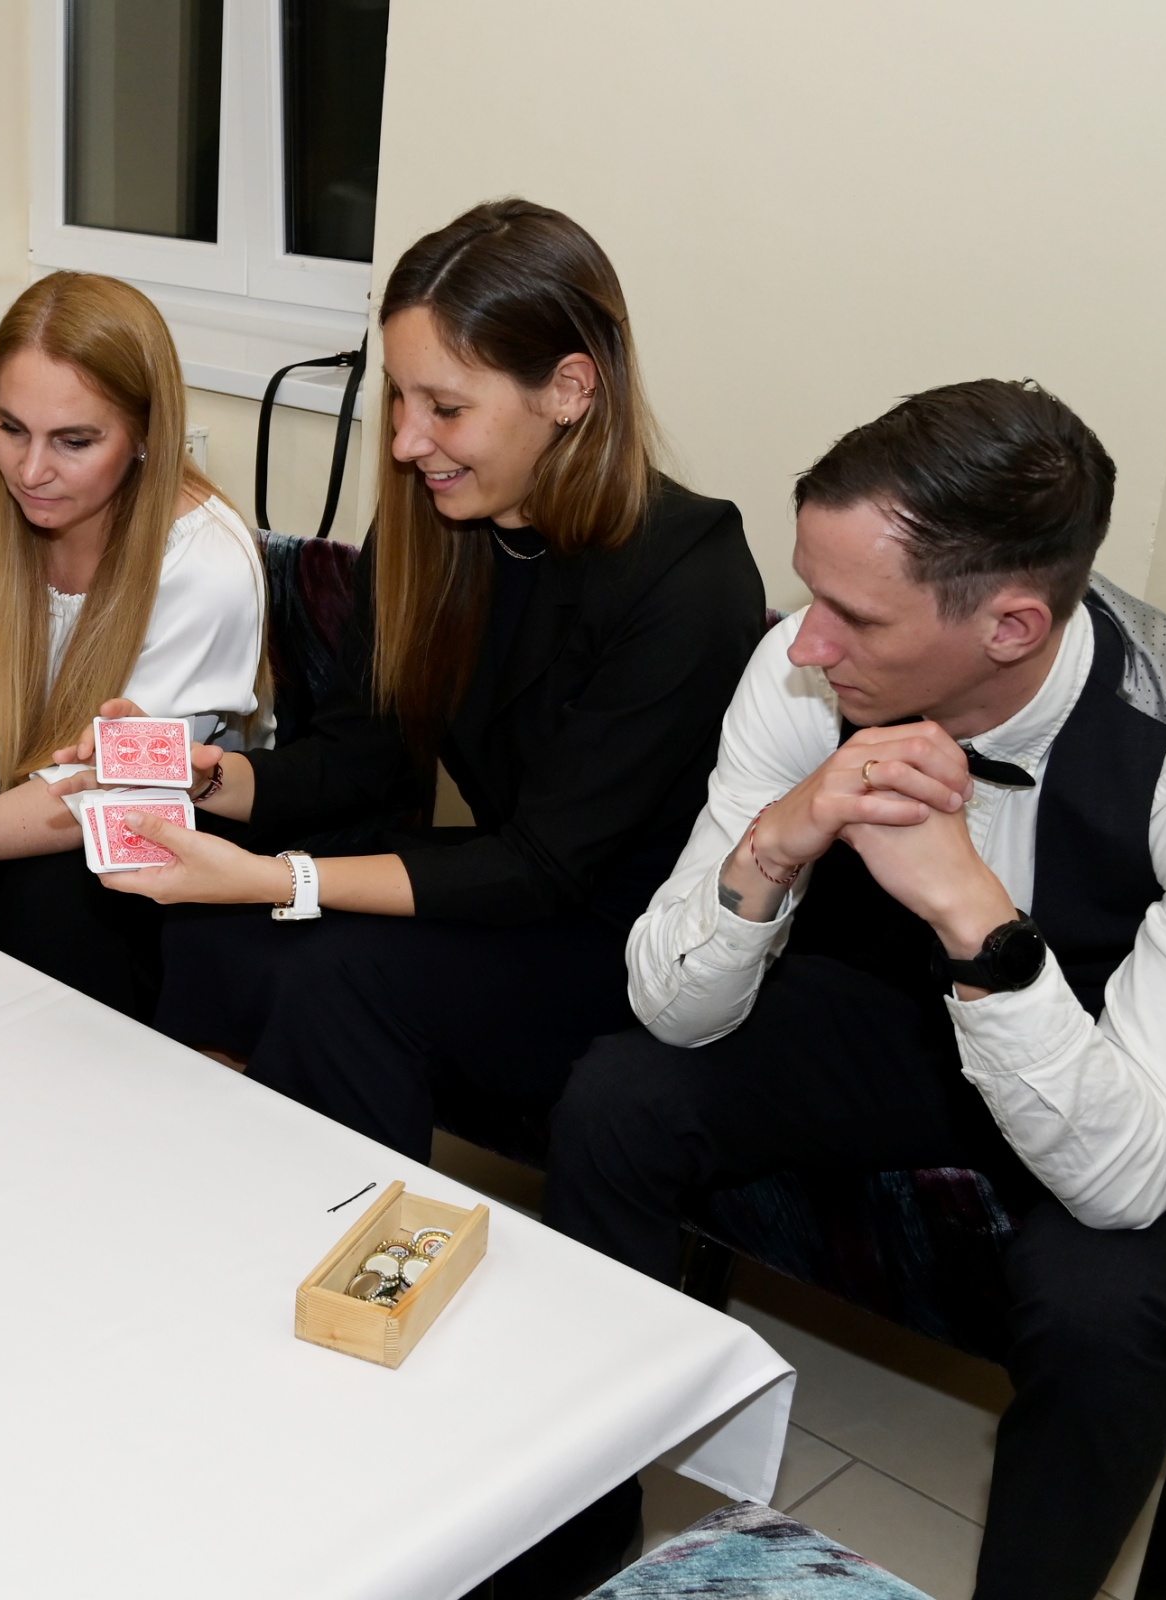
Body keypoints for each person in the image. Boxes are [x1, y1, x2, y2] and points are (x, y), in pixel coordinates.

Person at [544, 381, 1166, 1600]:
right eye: (812, 593)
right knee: (622, 1095)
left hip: (1134, 1085)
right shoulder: (801, 671)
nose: (805, 642)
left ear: (1009, 626)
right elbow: (667, 1002)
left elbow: (1127, 1178)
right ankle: (569, 1538)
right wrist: (774, 844)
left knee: (1100, 1306)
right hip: (915, 1025)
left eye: (851, 616)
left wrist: (971, 915)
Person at [75, 200, 763, 1162]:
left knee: (338, 976)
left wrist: (280, 878)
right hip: (510, 883)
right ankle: (196, 1184)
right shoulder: (441, 527)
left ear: (569, 390)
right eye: (398, 398)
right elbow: (362, 757)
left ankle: (337, 1228)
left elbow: (544, 866)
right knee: (199, 931)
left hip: (633, 946)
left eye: (444, 408)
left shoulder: (687, 576)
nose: (404, 441)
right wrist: (207, 777)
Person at [0, 270, 266, 1018]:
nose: (31, 471)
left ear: (145, 434)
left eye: (74, 441)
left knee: (50, 916)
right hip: (14, 792)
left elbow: (122, 784)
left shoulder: (205, 562)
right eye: (10, 429)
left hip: (165, 828)